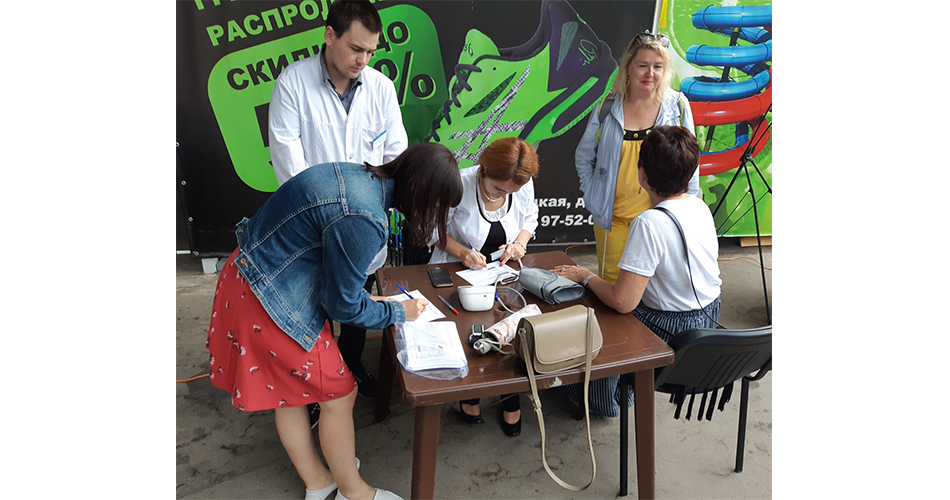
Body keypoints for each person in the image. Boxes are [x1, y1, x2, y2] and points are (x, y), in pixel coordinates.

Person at [206, 143, 463, 500]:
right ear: (419, 190)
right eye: (436, 206)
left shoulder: (355, 175)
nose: (434, 215)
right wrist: (398, 312)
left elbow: (333, 279)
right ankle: (353, 492)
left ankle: (317, 481)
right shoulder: (365, 217)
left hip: (247, 277)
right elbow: (342, 307)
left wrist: (370, 301)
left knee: (288, 395)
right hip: (272, 303)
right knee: (340, 393)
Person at [268, 0, 408, 402]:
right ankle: (314, 386)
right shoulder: (293, 84)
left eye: (371, 51)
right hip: (313, 226)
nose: (363, 60)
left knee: (356, 300)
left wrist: (364, 214)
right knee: (314, 308)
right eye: (355, 49)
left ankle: (352, 366)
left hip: (363, 226)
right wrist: (331, 217)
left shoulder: (381, 88)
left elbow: (394, 154)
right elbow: (290, 164)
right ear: (330, 35)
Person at [557, 126, 722, 418]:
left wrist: (585, 275)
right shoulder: (700, 207)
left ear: (643, 175)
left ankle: (601, 400)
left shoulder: (649, 223)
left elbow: (623, 301)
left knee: (600, 315)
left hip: (674, 329)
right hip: (710, 316)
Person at [427, 137, 540, 436]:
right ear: (484, 170)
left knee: (511, 327)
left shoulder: (522, 183)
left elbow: (530, 217)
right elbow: (434, 230)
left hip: (503, 271)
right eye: (499, 189)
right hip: (458, 269)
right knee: (470, 327)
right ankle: (471, 392)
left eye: (511, 191)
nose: (505, 194)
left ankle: (510, 395)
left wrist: (519, 244)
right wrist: (463, 253)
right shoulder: (459, 184)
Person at [575, 31, 700, 286]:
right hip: (614, 220)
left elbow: (691, 160)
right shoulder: (607, 106)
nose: (649, 73)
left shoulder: (677, 106)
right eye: (642, 65)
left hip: (660, 219)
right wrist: (592, 191)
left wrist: (686, 207)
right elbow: (584, 155)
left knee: (657, 289)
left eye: (657, 67)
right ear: (628, 68)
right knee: (613, 290)